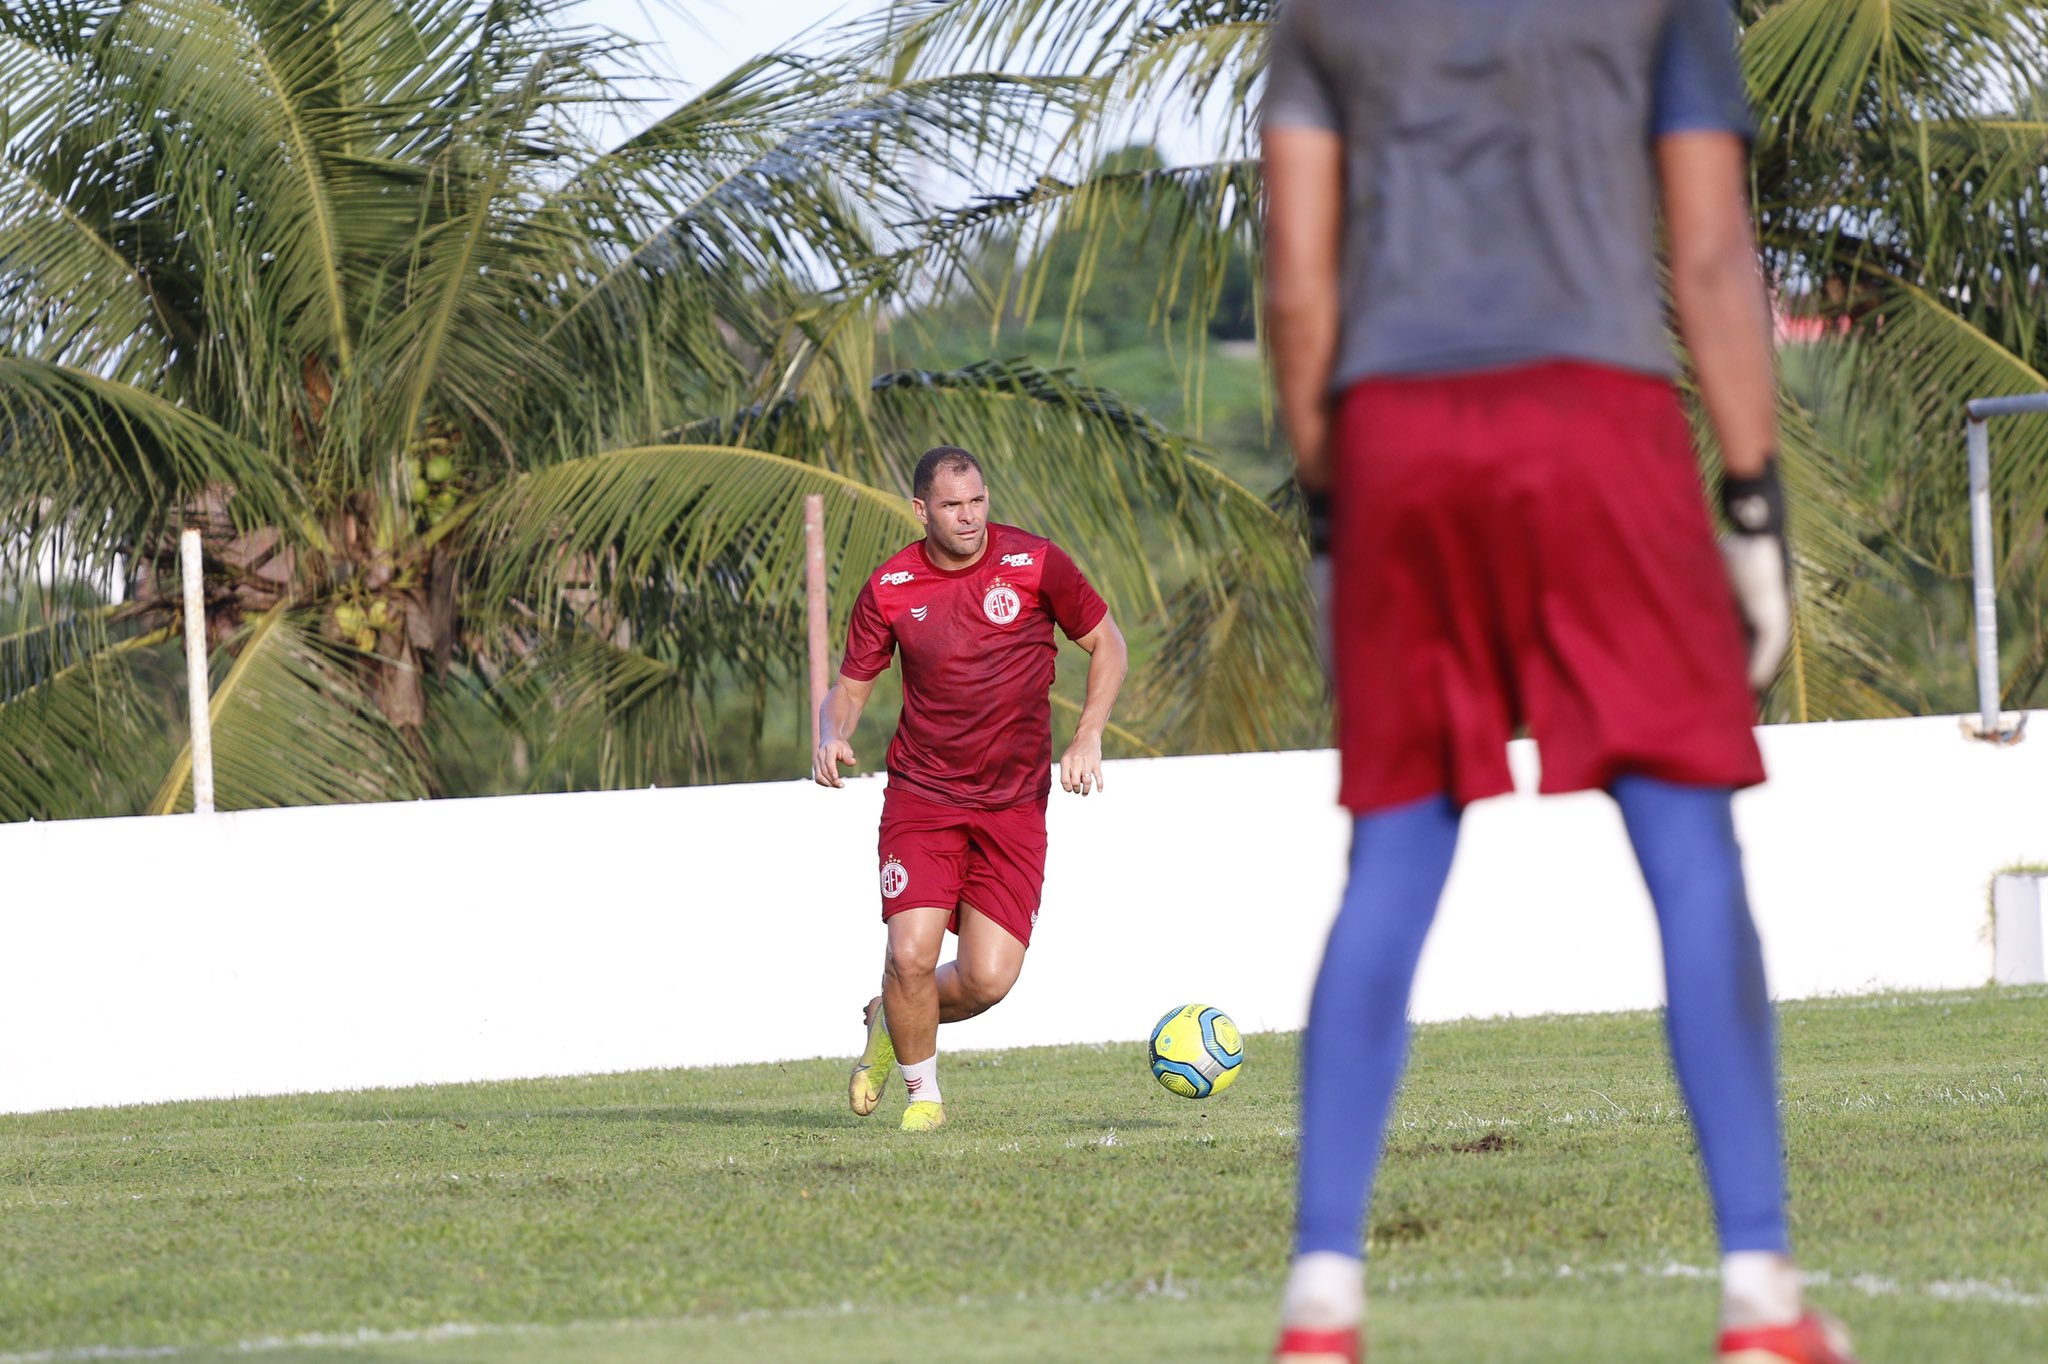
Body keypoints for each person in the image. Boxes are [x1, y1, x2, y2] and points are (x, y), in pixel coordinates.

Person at [1260, 2, 1851, 1361]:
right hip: (1598, 421)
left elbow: (1299, 288)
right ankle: (1761, 1299)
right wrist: (1752, 505)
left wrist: (1334, 520)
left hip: (1398, 435)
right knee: (1691, 846)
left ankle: (1320, 1308)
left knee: (1393, 856)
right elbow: (1708, 254)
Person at [813, 445, 1128, 1133]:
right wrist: (831, 733)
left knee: (988, 980)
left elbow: (1109, 642)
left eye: (978, 500)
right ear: (922, 510)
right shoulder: (891, 587)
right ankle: (924, 1097)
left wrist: (1088, 735)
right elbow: (850, 690)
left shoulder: (1037, 563)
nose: (969, 516)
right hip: (924, 799)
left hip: (1015, 805)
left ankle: (886, 1016)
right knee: (911, 955)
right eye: (952, 506)